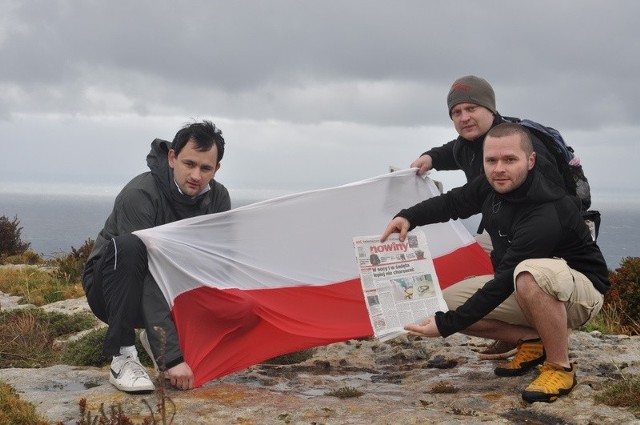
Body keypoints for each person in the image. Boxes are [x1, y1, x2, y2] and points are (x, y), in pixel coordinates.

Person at [380, 123, 609, 403]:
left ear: (531, 160)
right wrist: (408, 217)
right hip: (527, 287)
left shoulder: (545, 211)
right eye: (492, 160)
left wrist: (445, 327)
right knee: (443, 303)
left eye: (510, 159)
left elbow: (502, 282)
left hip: (580, 295)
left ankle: (559, 366)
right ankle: (532, 340)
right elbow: (453, 202)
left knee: (528, 274)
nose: (499, 168)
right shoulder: (490, 186)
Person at [410, 75, 567, 359]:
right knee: (467, 262)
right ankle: (520, 336)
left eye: (471, 109)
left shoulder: (518, 144)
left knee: (500, 273)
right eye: (456, 112)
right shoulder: (468, 145)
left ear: (490, 110)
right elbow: (453, 152)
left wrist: (449, 325)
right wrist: (431, 157)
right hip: (505, 230)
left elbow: (552, 203)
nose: (464, 117)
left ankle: (546, 341)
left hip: (547, 241)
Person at [82, 120, 230, 393]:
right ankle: (123, 356)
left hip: (169, 289)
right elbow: (150, 272)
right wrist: (171, 356)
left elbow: (216, 266)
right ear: (172, 157)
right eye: (189, 164)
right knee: (130, 246)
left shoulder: (218, 198)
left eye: (205, 168)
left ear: (216, 169)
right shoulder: (140, 195)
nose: (196, 175)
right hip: (112, 289)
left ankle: (155, 337)